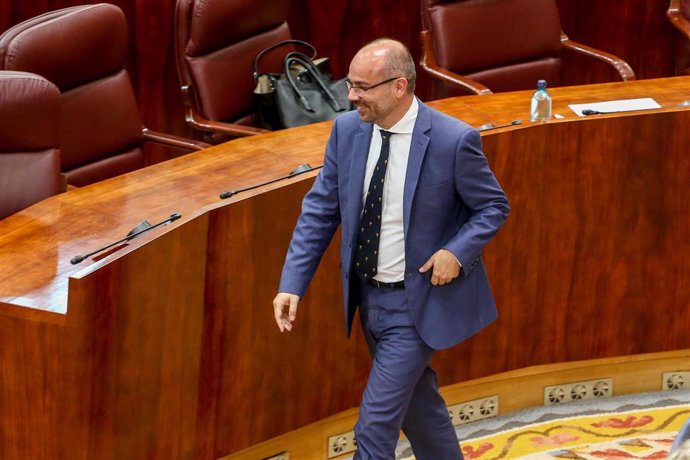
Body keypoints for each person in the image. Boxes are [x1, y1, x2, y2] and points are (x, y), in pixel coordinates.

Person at [272, 38, 510, 459]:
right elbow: (321, 210)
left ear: (398, 86)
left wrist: (457, 251)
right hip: (368, 299)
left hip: (415, 303)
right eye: (350, 84)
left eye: (362, 87)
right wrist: (293, 283)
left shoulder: (452, 141)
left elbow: (493, 206)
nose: (351, 96)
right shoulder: (347, 132)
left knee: (374, 428)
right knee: (421, 412)